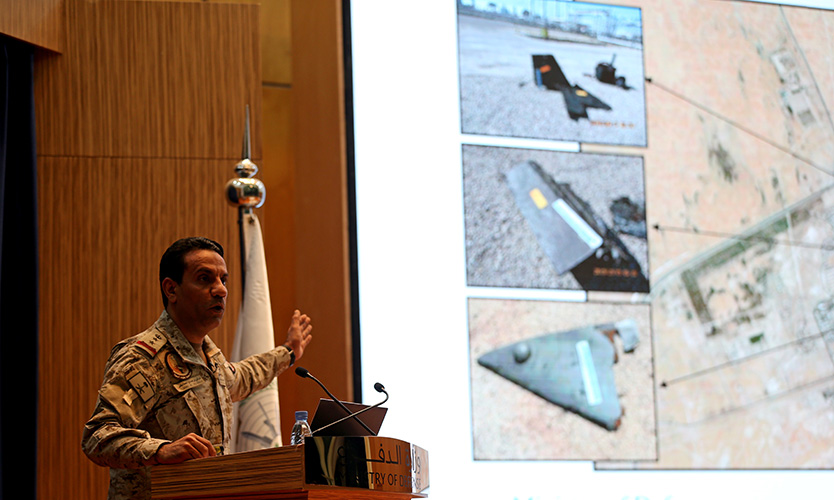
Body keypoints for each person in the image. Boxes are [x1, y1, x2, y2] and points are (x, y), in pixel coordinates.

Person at [81, 237, 313, 500]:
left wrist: (289, 352)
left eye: (223, 280)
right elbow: (97, 436)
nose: (221, 290)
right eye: (205, 279)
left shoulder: (210, 358)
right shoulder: (142, 358)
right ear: (171, 290)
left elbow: (244, 376)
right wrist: (160, 451)